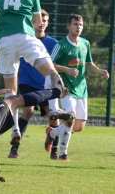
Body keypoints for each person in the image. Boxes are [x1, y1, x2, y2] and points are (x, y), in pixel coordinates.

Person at [0, 0, 67, 146]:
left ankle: (15, 129)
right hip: (25, 36)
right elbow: (38, 22)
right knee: (50, 72)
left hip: (5, 40)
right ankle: (54, 110)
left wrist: (4, 23)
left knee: (10, 90)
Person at [45, 14, 110, 161]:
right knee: (70, 118)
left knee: (79, 126)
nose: (78, 27)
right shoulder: (61, 45)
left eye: (80, 25)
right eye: (75, 24)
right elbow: (49, 64)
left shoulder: (85, 44)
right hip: (66, 89)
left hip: (82, 89)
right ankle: (63, 153)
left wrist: (99, 71)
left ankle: (52, 133)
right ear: (68, 26)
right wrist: (66, 70)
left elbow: (88, 64)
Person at [8, 9, 62, 159]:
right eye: (39, 20)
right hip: (26, 82)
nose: (41, 23)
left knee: (54, 116)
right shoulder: (25, 39)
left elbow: (54, 66)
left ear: (48, 23)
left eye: (45, 20)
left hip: (45, 85)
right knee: (28, 110)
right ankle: (14, 149)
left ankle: (54, 151)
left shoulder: (53, 44)